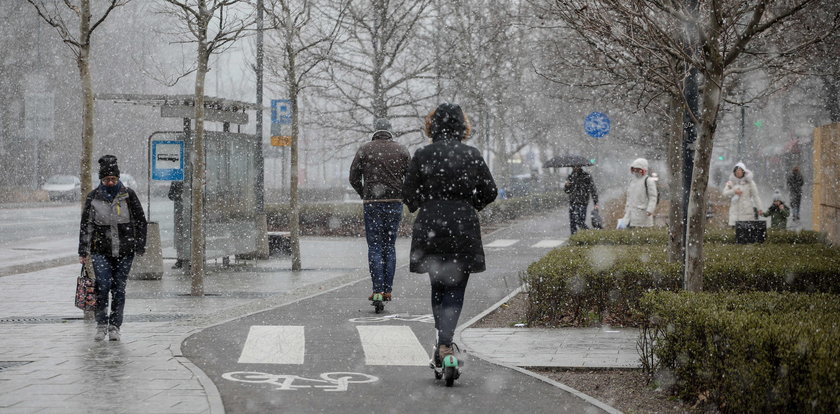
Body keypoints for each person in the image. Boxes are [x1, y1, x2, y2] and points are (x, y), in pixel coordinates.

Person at [402, 103, 497, 370]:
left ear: (432, 125)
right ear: (462, 126)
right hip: (462, 226)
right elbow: (490, 190)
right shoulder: (471, 154)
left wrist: (427, 202)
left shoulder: (423, 154)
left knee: (438, 284)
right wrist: (469, 204)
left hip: (431, 225)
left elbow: (408, 194)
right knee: (456, 286)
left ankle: (441, 345)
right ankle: (446, 343)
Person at [78, 155, 147, 341]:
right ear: (101, 179)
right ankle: (101, 323)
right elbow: (86, 225)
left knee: (119, 288)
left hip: (125, 251)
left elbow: (141, 221)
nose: (110, 182)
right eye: (106, 179)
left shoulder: (128, 195)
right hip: (101, 250)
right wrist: (83, 251)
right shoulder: (93, 197)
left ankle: (115, 325)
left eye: (113, 179)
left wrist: (139, 244)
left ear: (118, 179)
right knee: (102, 286)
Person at [349, 118, 411, 302]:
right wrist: (402, 194)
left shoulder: (365, 149)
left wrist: (365, 194)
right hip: (394, 203)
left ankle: (376, 290)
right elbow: (412, 177)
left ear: (375, 131)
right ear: (390, 131)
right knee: (389, 246)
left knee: (375, 246)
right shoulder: (401, 150)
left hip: (372, 204)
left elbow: (353, 177)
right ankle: (387, 290)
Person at [620, 158, 658, 228]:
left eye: (638, 169)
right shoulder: (632, 181)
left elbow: (653, 196)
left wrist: (650, 210)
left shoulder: (648, 181)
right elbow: (629, 197)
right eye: (634, 169)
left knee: (641, 233)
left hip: (643, 214)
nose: (636, 171)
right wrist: (627, 208)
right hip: (630, 215)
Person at [722, 162, 763, 227]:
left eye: (740, 170)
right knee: (735, 234)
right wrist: (734, 191)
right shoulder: (731, 182)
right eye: (736, 170)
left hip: (746, 212)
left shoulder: (750, 183)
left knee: (746, 233)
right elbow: (724, 193)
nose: (738, 172)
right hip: (735, 212)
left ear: (743, 171)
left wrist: (760, 209)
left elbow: (756, 196)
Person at [563, 166, 599, 234]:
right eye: (574, 166)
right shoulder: (570, 177)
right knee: (572, 222)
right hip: (572, 202)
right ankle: (574, 238)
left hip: (583, 202)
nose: (575, 167)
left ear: (580, 166)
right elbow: (567, 191)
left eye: (577, 166)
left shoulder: (586, 176)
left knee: (579, 221)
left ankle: (589, 234)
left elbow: (593, 189)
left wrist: (595, 202)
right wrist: (567, 186)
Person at [168, 181, 189, 270]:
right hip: (180, 212)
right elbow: (170, 195)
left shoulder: (177, 180)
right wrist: (180, 196)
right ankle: (181, 258)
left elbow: (171, 195)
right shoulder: (177, 180)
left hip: (186, 212)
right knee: (180, 236)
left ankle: (185, 258)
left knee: (183, 236)